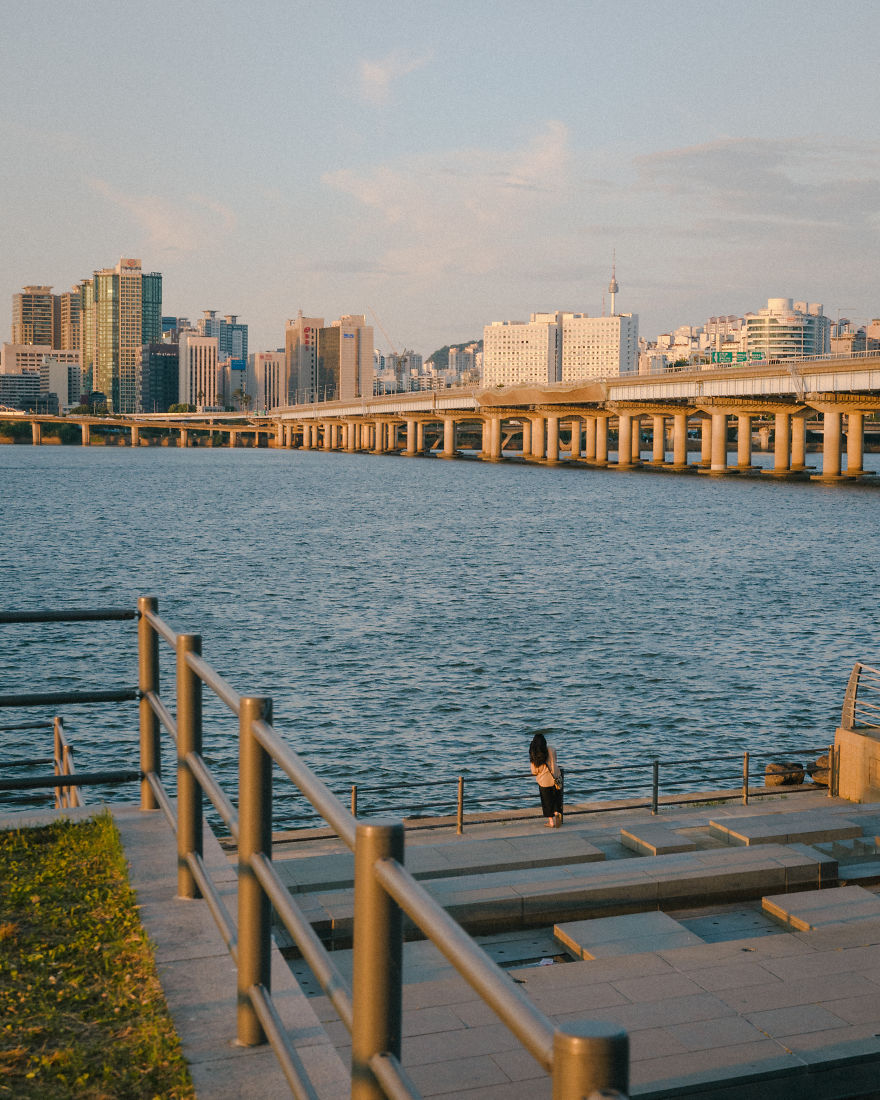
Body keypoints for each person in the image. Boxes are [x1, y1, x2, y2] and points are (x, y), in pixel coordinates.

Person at [529, 732, 563, 828]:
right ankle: (556, 812)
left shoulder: (534, 754)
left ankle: (551, 822)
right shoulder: (551, 749)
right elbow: (555, 760)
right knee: (556, 798)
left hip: (544, 781)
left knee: (546, 801)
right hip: (555, 778)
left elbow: (534, 771)